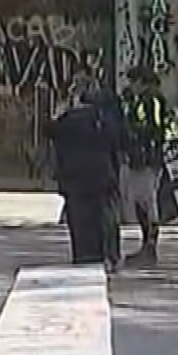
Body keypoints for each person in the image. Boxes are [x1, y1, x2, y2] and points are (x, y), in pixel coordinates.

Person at [47, 76, 123, 269]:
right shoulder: (104, 119)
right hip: (102, 173)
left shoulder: (69, 118)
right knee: (102, 216)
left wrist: (58, 113)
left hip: (74, 176)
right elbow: (117, 142)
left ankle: (83, 255)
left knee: (79, 218)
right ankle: (105, 254)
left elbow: (50, 131)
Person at [118, 67, 170, 266]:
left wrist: (135, 134)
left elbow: (154, 127)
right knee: (140, 201)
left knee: (147, 201)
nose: (131, 86)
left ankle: (150, 247)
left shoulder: (152, 99)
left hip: (147, 157)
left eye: (133, 81)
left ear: (141, 81)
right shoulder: (139, 100)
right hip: (140, 156)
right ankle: (146, 244)